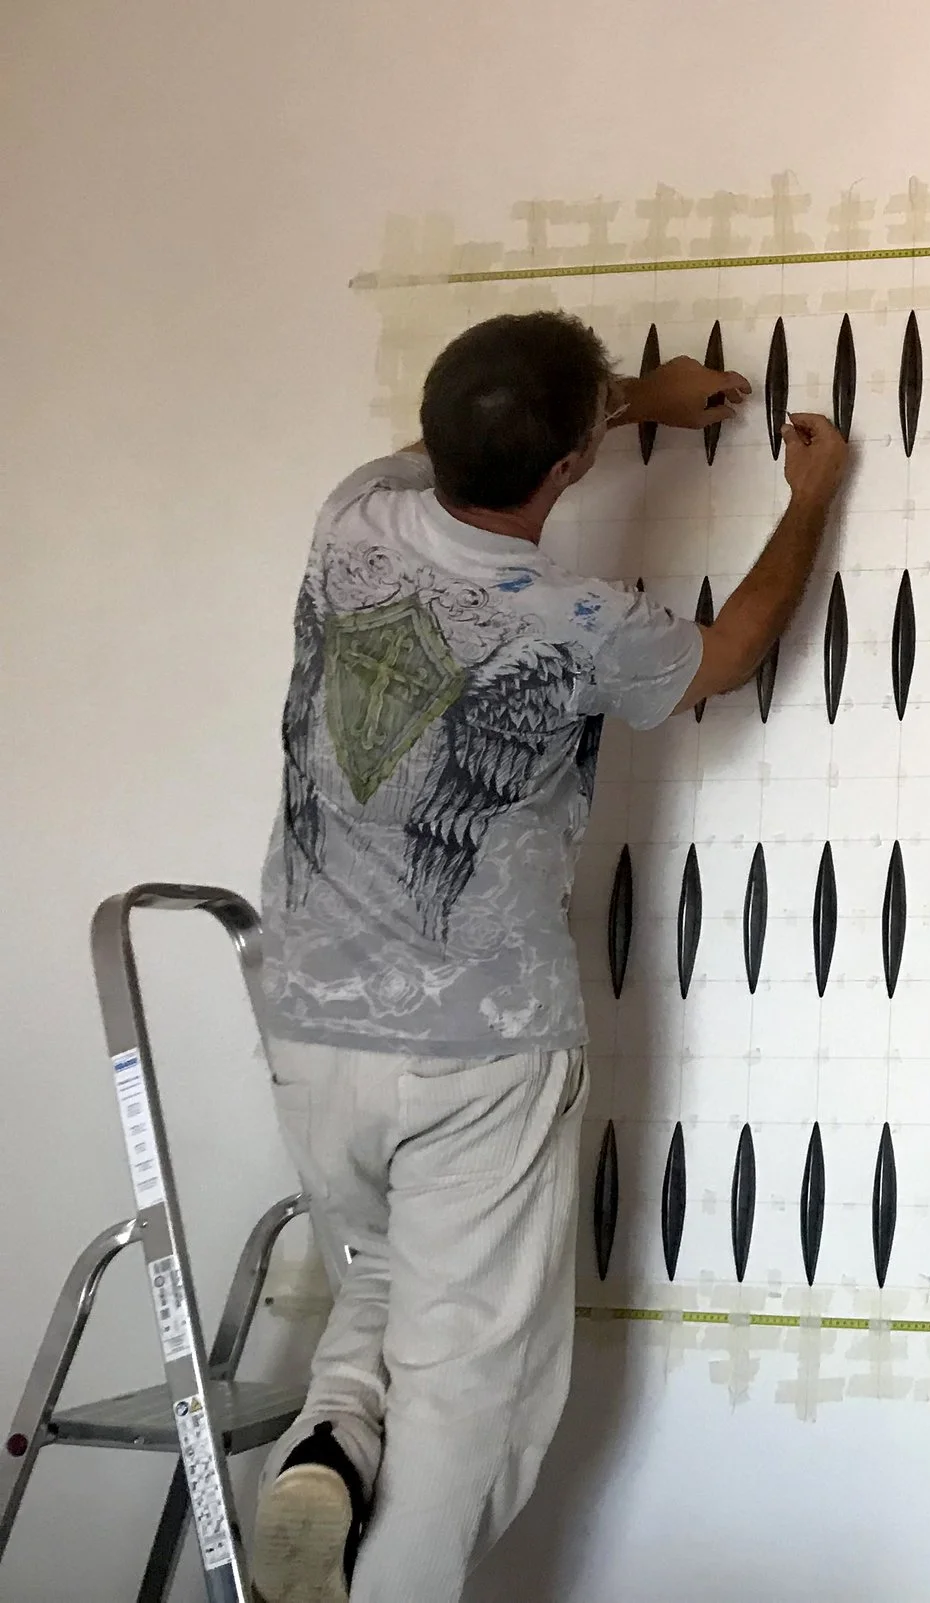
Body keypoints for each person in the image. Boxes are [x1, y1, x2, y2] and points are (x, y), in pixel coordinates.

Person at [246, 310, 848, 1603]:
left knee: (371, 1274)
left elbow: (492, 420)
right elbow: (730, 652)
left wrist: (632, 400)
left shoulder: (353, 513)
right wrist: (811, 496)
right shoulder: (586, 620)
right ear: (576, 460)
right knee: (470, 1395)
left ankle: (329, 1448)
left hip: (304, 1016)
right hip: (477, 1048)